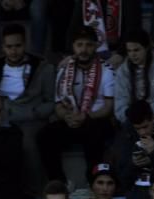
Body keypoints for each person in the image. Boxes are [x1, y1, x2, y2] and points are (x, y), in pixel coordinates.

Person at [0, 23, 55, 199]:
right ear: (3, 47)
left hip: (31, 120)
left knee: (27, 144)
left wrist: (35, 112)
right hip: (1, 118)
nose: (14, 51)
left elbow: (51, 102)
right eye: (9, 46)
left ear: (25, 44)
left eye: (18, 46)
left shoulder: (43, 67)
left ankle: (37, 193)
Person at [37, 26, 116, 184]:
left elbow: (108, 107)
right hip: (71, 120)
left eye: (88, 45)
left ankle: (94, 181)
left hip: (96, 119)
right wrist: (67, 117)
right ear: (73, 47)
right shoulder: (64, 70)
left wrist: (86, 116)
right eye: (79, 45)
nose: (84, 50)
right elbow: (58, 105)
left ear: (95, 46)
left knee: (93, 132)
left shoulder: (107, 70)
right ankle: (58, 182)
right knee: (44, 135)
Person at [113, 29, 154, 127]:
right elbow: (119, 107)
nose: (132, 55)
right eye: (129, 51)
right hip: (132, 123)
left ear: (147, 48)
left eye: (136, 50)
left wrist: (149, 110)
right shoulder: (122, 72)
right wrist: (134, 115)